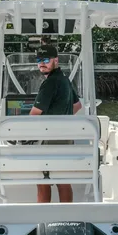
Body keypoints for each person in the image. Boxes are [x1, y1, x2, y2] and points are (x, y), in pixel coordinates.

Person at [29, 44, 83, 203]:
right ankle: (67, 217)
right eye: (39, 60)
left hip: (50, 140)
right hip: (66, 139)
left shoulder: (50, 83)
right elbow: (77, 106)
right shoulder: (65, 80)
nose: (41, 64)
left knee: (43, 181)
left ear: (56, 60)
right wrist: (61, 118)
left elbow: (34, 114)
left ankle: (42, 218)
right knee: (63, 181)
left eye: (46, 60)